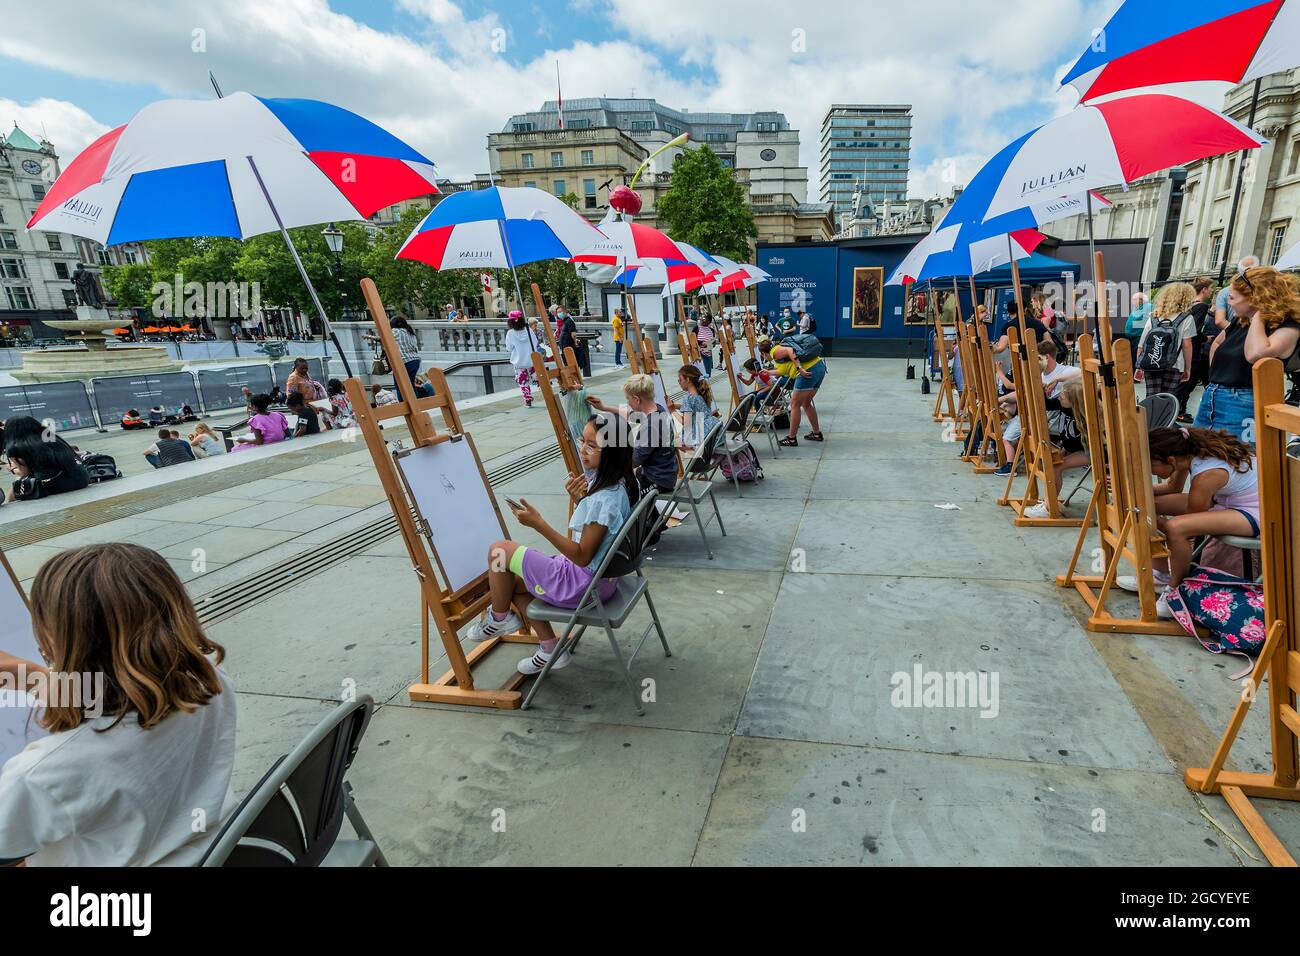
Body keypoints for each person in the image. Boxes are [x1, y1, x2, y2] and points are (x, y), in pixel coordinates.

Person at [0, 543, 235, 866]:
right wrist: (31, 677)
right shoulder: (209, 677)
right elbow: (124, 696)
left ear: (56, 641)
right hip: (212, 850)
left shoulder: (44, 773)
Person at [470, 413, 638, 675]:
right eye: (583, 441)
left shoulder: (603, 500)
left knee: (499, 552)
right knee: (512, 581)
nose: (582, 449)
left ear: (613, 453)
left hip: (580, 584)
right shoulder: (622, 484)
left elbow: (582, 556)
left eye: (592, 446)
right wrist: (582, 499)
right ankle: (550, 648)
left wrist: (539, 523)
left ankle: (498, 618)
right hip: (601, 580)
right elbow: (595, 536)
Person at [1139, 427, 1260, 614]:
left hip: (1253, 511)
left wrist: (1157, 521)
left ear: (1169, 460)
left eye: (1150, 464)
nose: (1146, 469)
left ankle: (1175, 589)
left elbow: (1190, 521)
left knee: (1176, 528)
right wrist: (1137, 490)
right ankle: (1162, 574)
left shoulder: (1207, 474)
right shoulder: (1185, 457)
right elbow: (1173, 487)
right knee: (1148, 504)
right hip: (1228, 501)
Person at [1196, 266, 1300, 442]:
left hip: (1243, 401)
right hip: (1214, 395)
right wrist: (1215, 380)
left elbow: (1255, 354)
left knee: (1236, 462)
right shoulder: (1241, 321)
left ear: (1255, 298)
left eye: (1232, 297)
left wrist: (1260, 313)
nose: (1229, 303)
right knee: (1199, 456)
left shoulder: (1288, 326)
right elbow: (1218, 344)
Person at [995, 337, 1081, 476]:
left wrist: (1057, 380)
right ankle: (1011, 460)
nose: (1034, 361)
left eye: (1037, 358)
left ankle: (1011, 465)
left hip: (1052, 418)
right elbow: (1023, 393)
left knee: (1015, 429)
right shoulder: (1039, 375)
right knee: (1016, 421)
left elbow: (1085, 373)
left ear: (1047, 357)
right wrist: (1003, 399)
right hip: (1039, 415)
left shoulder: (1062, 371)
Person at [587, 373, 677, 493]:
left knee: (614, 490)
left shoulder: (651, 426)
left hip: (658, 481)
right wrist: (604, 408)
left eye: (628, 399)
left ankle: (645, 511)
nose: (628, 403)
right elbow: (632, 416)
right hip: (666, 473)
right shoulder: (659, 410)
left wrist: (604, 466)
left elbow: (633, 460)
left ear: (636, 399)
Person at [1021, 378, 1091, 519]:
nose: (1059, 397)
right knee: (1051, 466)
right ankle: (1048, 501)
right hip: (1072, 448)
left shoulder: (1085, 415)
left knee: (1056, 468)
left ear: (1073, 401)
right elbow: (1046, 404)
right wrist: (1040, 389)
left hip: (1088, 451)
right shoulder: (1062, 405)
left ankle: (1048, 508)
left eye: (1062, 397)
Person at [1133, 281, 1198, 401]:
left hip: (1151, 363)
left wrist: (1139, 365)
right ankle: (1163, 420)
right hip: (1175, 365)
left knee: (1151, 397)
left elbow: (1142, 344)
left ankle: (1150, 419)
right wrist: (1187, 368)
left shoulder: (1154, 317)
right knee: (1167, 398)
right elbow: (1187, 345)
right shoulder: (1187, 318)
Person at [764, 335, 826, 446]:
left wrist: (799, 368)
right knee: (806, 403)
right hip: (819, 367)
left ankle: (791, 438)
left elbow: (790, 350)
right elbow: (783, 370)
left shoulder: (774, 352)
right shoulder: (779, 352)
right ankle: (816, 434)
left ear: (764, 353)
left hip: (806, 372)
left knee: (794, 405)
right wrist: (768, 372)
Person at [1174, 276, 1216, 423]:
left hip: (1188, 350)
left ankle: (1180, 410)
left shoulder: (1189, 305)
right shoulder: (1201, 307)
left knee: (1191, 382)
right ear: (1204, 289)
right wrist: (1206, 338)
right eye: (1210, 288)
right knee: (1188, 382)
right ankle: (1178, 411)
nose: (1211, 291)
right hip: (1195, 351)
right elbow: (1195, 331)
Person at [364, 316, 422, 393]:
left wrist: (369, 336)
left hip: (405, 361)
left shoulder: (396, 331)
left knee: (400, 386)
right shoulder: (409, 331)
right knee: (411, 385)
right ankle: (415, 402)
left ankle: (403, 403)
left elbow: (382, 338)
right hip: (415, 361)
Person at [669, 364, 718, 453]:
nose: (679, 382)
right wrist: (677, 406)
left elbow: (685, 422)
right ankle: (704, 456)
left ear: (687, 379)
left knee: (674, 441)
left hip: (701, 436)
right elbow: (696, 407)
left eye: (680, 380)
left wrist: (672, 410)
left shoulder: (688, 398)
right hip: (712, 432)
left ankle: (700, 456)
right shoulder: (701, 392)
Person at [504, 310, 538, 407]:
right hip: (531, 360)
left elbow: (509, 348)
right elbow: (535, 343)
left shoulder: (510, 333)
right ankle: (545, 391)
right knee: (537, 377)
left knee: (523, 381)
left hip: (518, 361)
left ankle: (528, 399)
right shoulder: (528, 330)